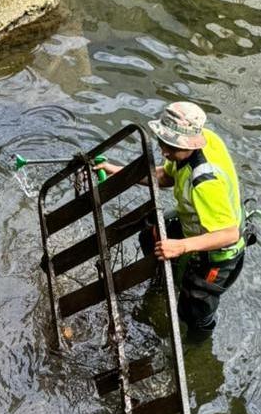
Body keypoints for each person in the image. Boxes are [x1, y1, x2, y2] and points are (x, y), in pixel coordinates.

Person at [97, 101, 246, 336]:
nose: (165, 152)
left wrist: (181, 246)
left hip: (219, 252)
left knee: (195, 310)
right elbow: (166, 176)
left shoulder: (205, 182)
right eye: (163, 143)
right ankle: (160, 284)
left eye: (172, 148)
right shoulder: (200, 140)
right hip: (194, 222)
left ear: (192, 144)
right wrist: (121, 172)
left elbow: (229, 234)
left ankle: (198, 347)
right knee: (151, 235)